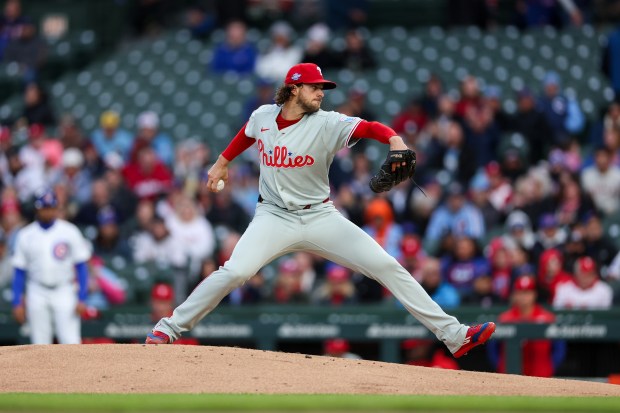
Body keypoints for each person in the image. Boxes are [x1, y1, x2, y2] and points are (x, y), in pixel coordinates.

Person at [145, 62, 496, 358]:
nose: (321, 93)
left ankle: (455, 335)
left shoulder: (327, 122)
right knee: (234, 272)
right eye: (315, 87)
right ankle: (168, 328)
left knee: (387, 265)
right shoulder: (264, 116)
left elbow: (369, 126)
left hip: (320, 216)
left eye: (322, 88)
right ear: (294, 89)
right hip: (273, 216)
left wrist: (395, 139)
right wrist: (222, 163)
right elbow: (247, 134)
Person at [11, 189, 92, 344]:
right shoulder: (26, 234)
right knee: (40, 343)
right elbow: (19, 271)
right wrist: (17, 302)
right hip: (37, 290)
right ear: (37, 209)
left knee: (71, 341)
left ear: (56, 208)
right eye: (44, 208)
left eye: (51, 207)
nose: (48, 211)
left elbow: (81, 266)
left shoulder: (69, 231)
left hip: (64, 290)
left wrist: (82, 297)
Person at [489, 275, 566, 378]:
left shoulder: (548, 318)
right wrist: (500, 366)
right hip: (510, 376)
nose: (523, 297)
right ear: (514, 295)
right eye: (520, 292)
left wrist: (550, 367)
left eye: (527, 293)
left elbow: (559, 348)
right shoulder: (504, 319)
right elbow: (492, 348)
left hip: (541, 376)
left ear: (534, 294)